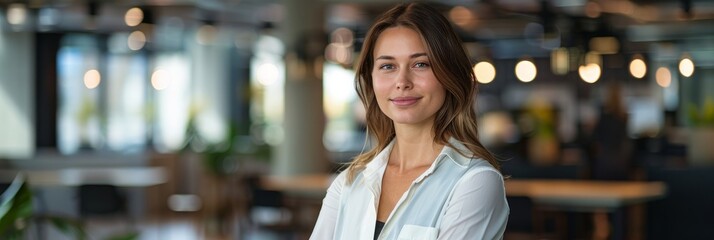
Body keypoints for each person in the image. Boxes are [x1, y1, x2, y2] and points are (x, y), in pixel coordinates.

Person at [310, 2, 509, 239]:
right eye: (387, 66)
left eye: (420, 64)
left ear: (449, 74)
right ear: (371, 80)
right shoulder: (349, 182)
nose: (402, 81)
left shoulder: (475, 183)